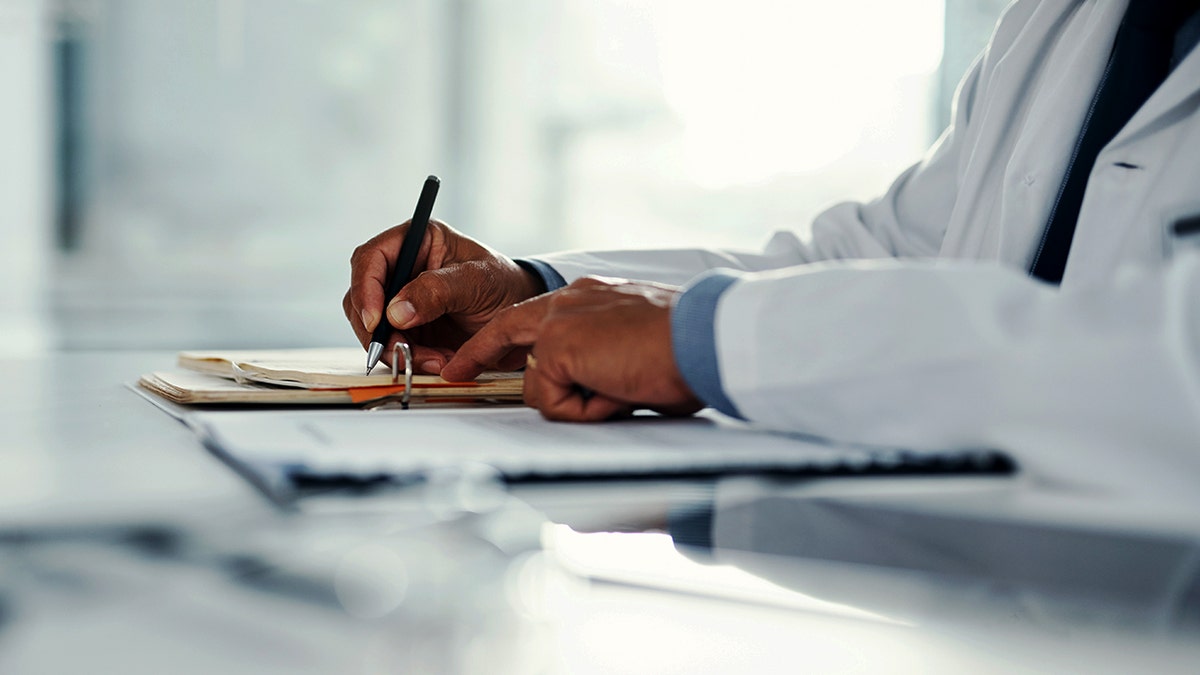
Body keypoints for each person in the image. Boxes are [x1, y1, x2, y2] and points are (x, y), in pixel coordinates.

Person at [344, 0, 1200, 490]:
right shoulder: (1062, 21)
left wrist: (709, 341)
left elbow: (1169, 355)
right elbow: (875, 268)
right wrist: (532, 296)